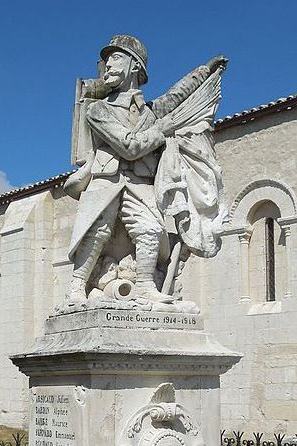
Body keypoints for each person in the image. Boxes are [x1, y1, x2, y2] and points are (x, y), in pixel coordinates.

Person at [64, 35, 227, 305]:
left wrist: (204, 71)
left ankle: (144, 286)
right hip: (107, 180)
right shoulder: (98, 110)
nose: (108, 65)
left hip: (140, 182)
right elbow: (129, 147)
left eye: (116, 58)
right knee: (97, 231)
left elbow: (176, 96)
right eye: (106, 60)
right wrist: (162, 130)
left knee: (151, 230)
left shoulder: (150, 112)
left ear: (135, 66)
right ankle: (77, 286)